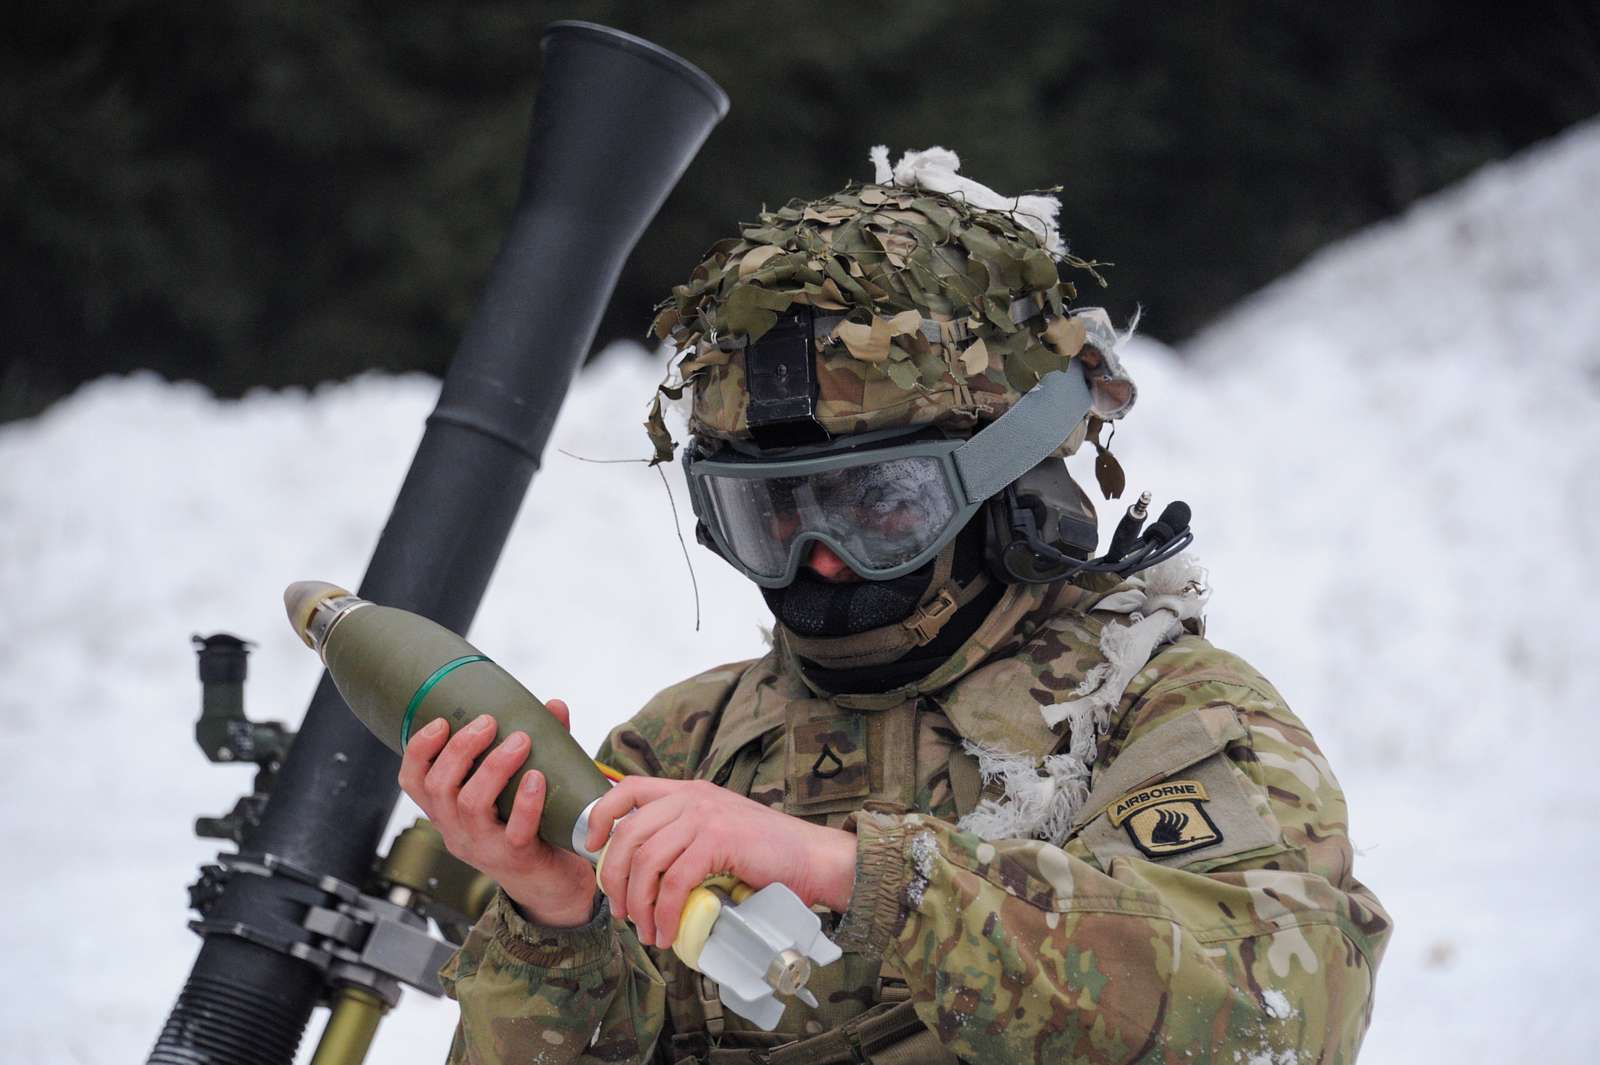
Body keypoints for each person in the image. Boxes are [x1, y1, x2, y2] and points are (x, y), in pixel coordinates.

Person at [397, 148, 1390, 1064]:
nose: (819, 565)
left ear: (1004, 487)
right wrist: (552, 921)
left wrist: (869, 878)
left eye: (878, 508)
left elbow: (1278, 1020)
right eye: (772, 515)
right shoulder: (682, 747)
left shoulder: (1155, 711)